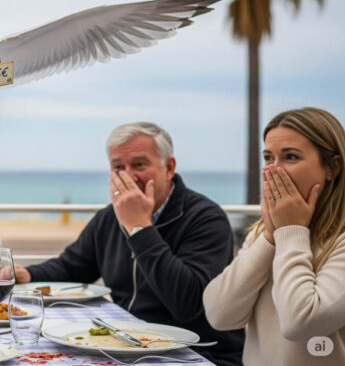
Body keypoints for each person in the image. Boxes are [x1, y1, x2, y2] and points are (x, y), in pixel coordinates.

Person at [14, 122, 244, 365]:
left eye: (139, 165)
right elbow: (74, 266)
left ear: (169, 168)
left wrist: (140, 228)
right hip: (126, 344)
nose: (129, 176)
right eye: (118, 167)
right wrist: (28, 274)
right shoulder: (110, 217)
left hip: (198, 353)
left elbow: (187, 303)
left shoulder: (206, 218)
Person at [203, 107, 345, 365]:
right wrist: (269, 237)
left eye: (290, 157)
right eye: (268, 158)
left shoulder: (340, 240)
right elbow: (219, 315)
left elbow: (300, 324)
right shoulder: (266, 232)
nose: (272, 170)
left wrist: (292, 232)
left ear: (332, 168)